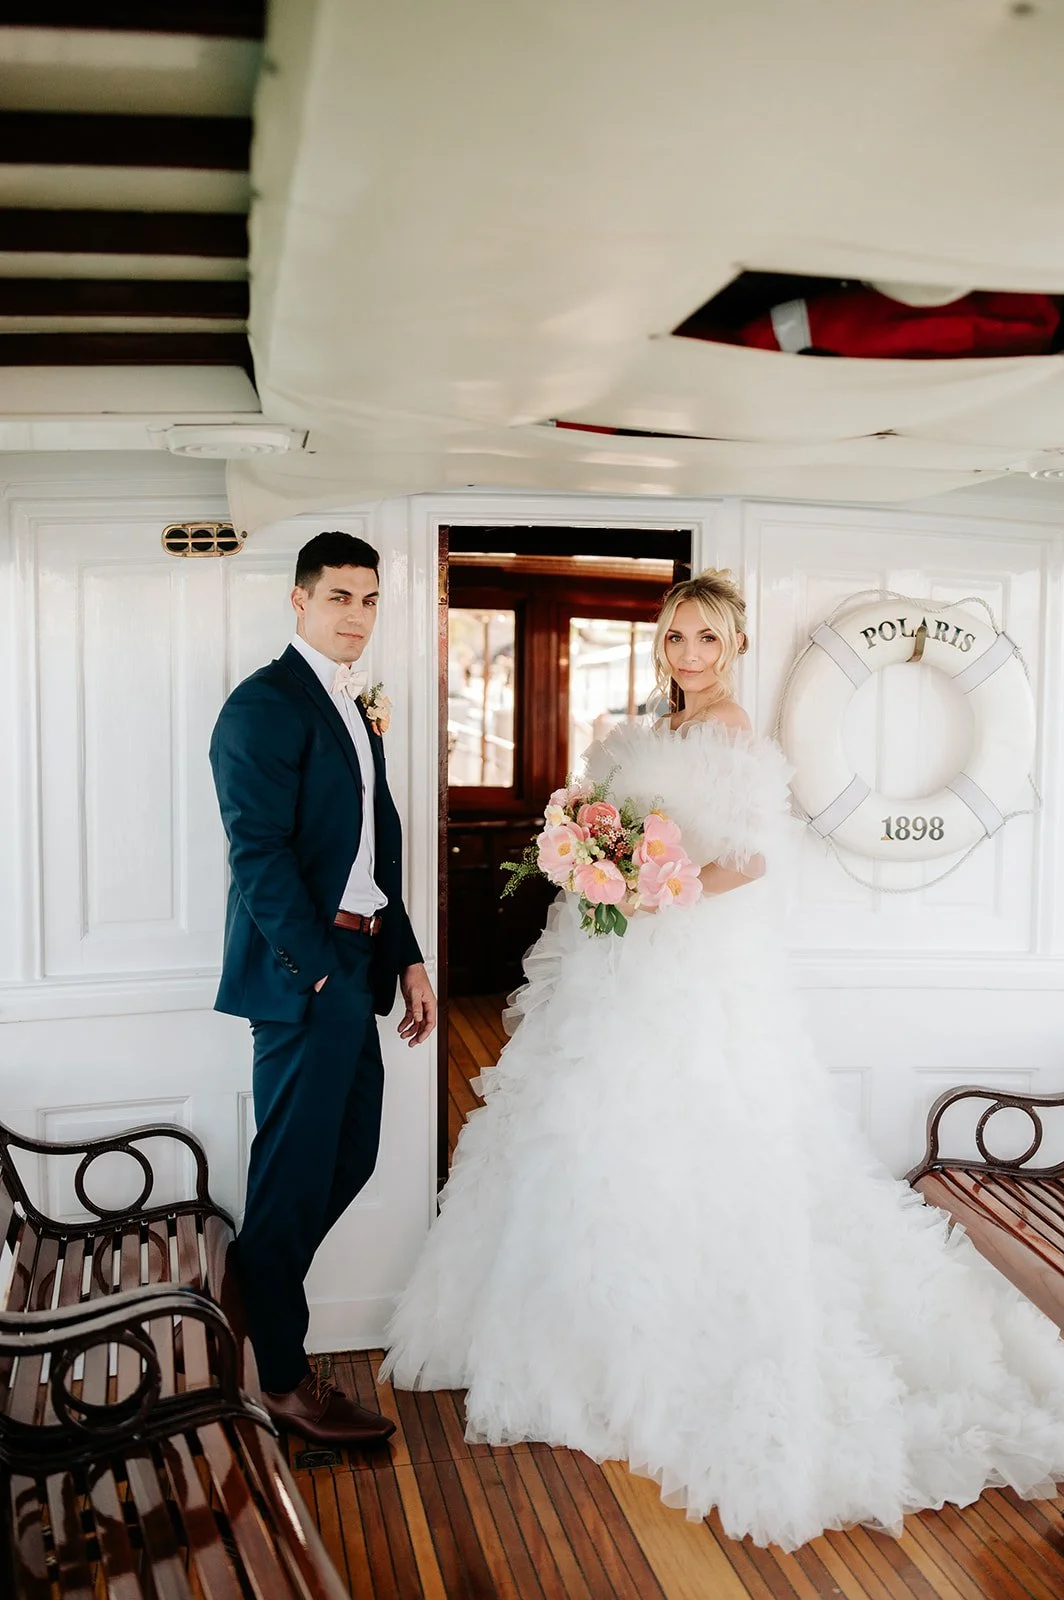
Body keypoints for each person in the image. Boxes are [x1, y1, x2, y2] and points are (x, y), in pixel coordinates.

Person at [380, 569, 1064, 1550]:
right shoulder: (639, 737)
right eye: (674, 638)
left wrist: (665, 888)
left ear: (731, 647)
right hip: (619, 967)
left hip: (691, 966)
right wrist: (589, 857)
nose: (687, 655)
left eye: (703, 638)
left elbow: (747, 858)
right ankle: (582, 1342)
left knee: (691, 1137)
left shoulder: (740, 735)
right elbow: (599, 829)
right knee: (584, 1137)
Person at [210, 530, 436, 1446]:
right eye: (339, 596)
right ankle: (284, 1380)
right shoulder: (263, 707)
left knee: (348, 1160)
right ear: (298, 602)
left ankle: (255, 1306)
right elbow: (257, 857)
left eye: (371, 599)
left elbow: (375, 851)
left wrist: (409, 956)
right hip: (305, 979)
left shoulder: (354, 704)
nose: (358, 615)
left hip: (360, 961)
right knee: (297, 1175)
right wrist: (317, 980)